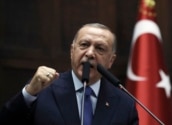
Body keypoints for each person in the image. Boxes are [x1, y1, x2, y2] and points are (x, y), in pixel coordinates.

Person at [0, 23, 139, 125]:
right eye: (84, 45)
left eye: (100, 48)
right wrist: (28, 94)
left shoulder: (124, 104)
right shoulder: (42, 89)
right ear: (72, 52)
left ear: (111, 60)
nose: (90, 53)